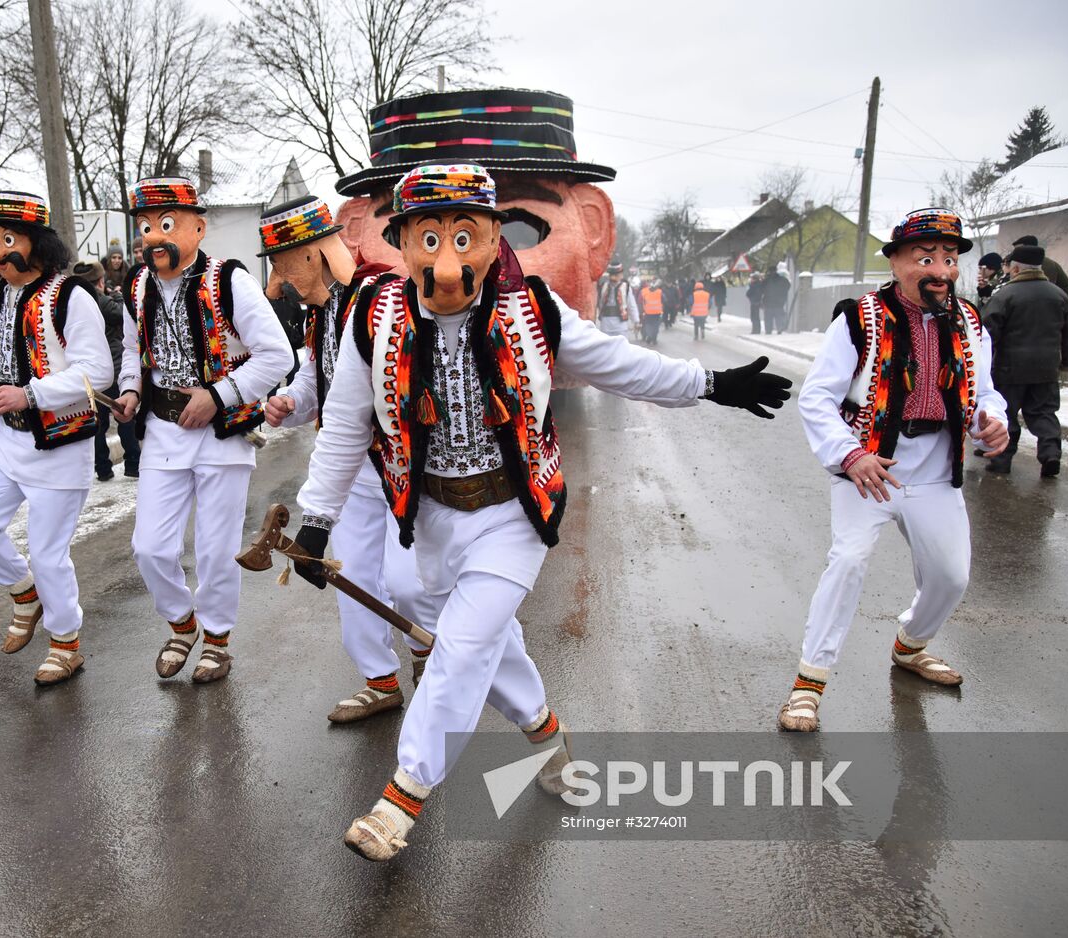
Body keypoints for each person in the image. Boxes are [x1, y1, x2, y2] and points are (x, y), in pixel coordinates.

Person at [291, 163, 792, 861]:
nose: (446, 259)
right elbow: (346, 424)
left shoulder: (535, 312)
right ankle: (545, 733)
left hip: (511, 515)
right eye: (428, 238)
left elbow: (623, 365)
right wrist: (316, 519)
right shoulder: (370, 320)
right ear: (400, 244)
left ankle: (401, 798)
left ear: (495, 238)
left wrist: (708, 383)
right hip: (426, 514)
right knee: (461, 627)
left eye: (465, 237)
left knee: (461, 648)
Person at [779, 208, 1008, 733]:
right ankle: (807, 685)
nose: (942, 271)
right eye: (927, 258)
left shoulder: (970, 322)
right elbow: (816, 398)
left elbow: (984, 390)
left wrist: (991, 420)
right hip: (869, 468)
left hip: (934, 471)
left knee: (950, 576)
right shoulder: (860, 318)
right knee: (849, 561)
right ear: (899, 261)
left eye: (949, 260)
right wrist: (850, 454)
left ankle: (911, 645)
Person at [259, 195, 440, 721]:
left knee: (409, 581)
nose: (276, 283)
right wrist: (292, 402)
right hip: (353, 474)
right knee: (354, 579)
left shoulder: (383, 297)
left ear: (313, 255)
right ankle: (380, 681)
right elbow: (319, 382)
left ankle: (430, 660)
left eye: (281, 264)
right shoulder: (323, 315)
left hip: (406, 470)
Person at [114, 177, 293, 685]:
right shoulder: (137, 285)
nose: (153, 237)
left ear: (197, 227)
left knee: (215, 549)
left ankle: (217, 638)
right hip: (162, 431)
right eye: (145, 227)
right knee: (150, 547)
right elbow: (133, 351)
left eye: (165, 225)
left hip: (222, 434)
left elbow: (277, 354)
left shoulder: (228, 281)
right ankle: (182, 624)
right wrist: (129, 390)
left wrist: (218, 396)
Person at [0, 191, 114, 686]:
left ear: (37, 242)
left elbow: (98, 372)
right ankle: (27, 593)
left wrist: (31, 394)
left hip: (60, 447)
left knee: (47, 553)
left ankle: (66, 644)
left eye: (9, 240)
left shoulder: (72, 296)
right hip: (5, 441)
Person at [333, 88, 617, 321]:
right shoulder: (371, 330)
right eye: (426, 239)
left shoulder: (543, 321)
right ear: (353, 234)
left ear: (595, 229)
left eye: (516, 234)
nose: (449, 273)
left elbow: (627, 367)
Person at [982, 242, 1068, 478]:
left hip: (1010, 368)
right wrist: (1067, 362)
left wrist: (983, 363)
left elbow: (988, 332)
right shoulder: (1059, 296)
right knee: (1044, 412)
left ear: (1015, 269)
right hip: (1046, 369)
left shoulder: (1005, 295)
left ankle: (1002, 461)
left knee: (1006, 413)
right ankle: (1050, 454)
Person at [74, 258, 141, 480]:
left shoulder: (74, 303)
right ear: (100, 281)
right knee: (124, 417)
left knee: (98, 425)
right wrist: (119, 296)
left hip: (90, 374)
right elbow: (124, 314)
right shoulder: (101, 300)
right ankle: (133, 464)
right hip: (113, 370)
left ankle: (102, 469)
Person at [596, 260, 635, 338]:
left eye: (616, 274)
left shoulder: (625, 286)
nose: (614, 276)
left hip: (621, 324)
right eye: (612, 274)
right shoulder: (603, 286)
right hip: (606, 323)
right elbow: (598, 303)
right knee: (606, 347)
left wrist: (636, 320)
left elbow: (631, 304)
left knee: (621, 347)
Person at [762, 263, 790, 335]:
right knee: (779, 317)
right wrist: (783, 295)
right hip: (779, 303)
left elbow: (761, 289)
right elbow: (788, 286)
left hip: (768, 303)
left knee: (768, 318)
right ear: (776, 270)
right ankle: (779, 329)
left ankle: (768, 331)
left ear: (769, 271)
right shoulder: (782, 280)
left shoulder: (766, 280)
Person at [639, 278, 664, 346]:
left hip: (648, 312)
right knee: (655, 326)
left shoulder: (643, 291)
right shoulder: (660, 291)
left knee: (648, 326)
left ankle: (650, 336)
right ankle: (654, 339)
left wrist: (641, 311)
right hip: (657, 313)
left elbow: (640, 302)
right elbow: (664, 300)